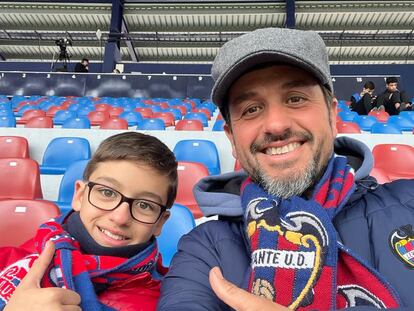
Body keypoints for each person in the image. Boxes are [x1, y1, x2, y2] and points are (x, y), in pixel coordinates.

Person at [158, 28, 414, 310]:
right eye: (251, 109)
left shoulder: (409, 202)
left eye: (295, 98)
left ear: (331, 115)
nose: (276, 125)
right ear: (231, 138)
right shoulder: (205, 249)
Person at [0, 132, 178, 311]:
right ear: (79, 195)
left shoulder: (168, 301)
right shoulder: (6, 260)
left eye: (144, 205)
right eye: (107, 193)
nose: (120, 218)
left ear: (160, 223)